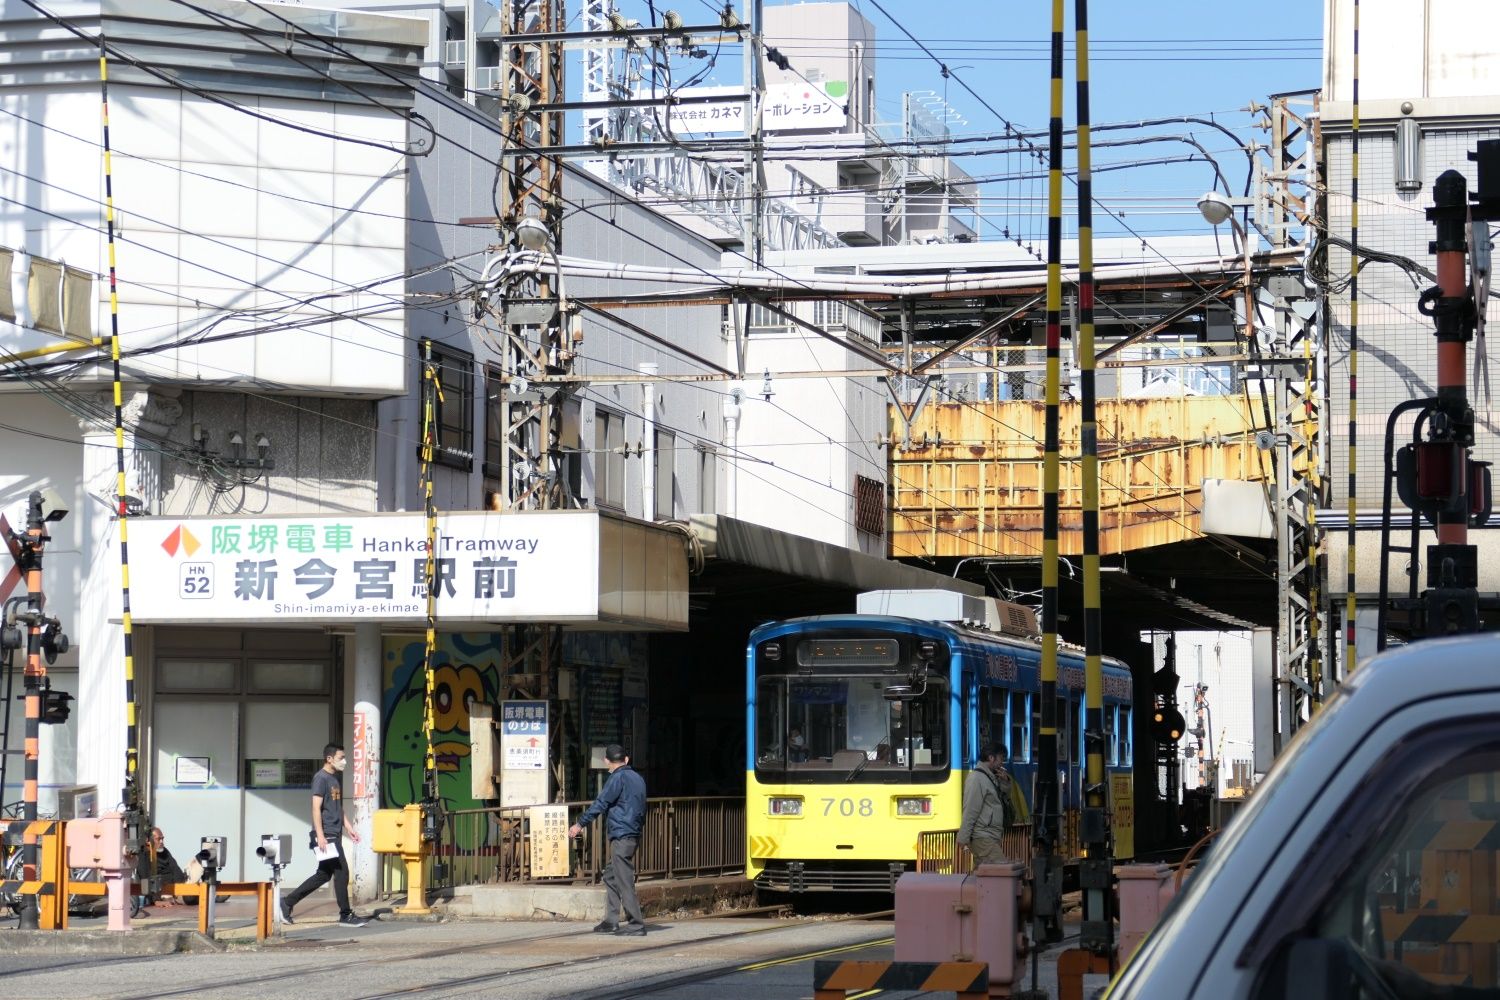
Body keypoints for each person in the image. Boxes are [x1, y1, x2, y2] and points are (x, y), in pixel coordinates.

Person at [281, 743, 366, 928]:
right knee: (342, 872)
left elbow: (337, 807)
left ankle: (287, 903)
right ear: (329, 758)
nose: (344, 761)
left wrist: (349, 827)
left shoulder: (334, 779)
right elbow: (315, 808)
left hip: (333, 832)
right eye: (341, 757)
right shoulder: (321, 779)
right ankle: (345, 915)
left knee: (323, 875)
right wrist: (320, 835)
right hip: (326, 835)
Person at [568, 744, 647, 936]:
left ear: (606, 762)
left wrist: (580, 824)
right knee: (610, 876)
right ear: (626, 759)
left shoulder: (616, 778)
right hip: (633, 834)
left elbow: (601, 803)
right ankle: (611, 920)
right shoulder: (638, 778)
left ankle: (636, 924)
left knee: (624, 879)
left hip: (621, 835)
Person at [957, 743, 1017, 866]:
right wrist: (963, 837)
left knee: (985, 877)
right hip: (982, 837)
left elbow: (1002, 800)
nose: (1002, 762)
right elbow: (970, 810)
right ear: (991, 758)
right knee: (999, 871)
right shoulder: (977, 779)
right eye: (1001, 758)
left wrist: (1005, 783)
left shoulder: (990, 777)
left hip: (990, 836)